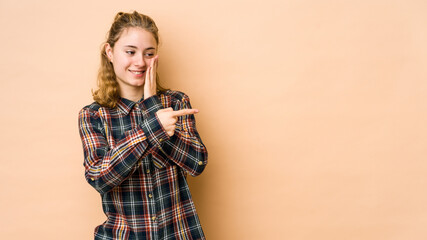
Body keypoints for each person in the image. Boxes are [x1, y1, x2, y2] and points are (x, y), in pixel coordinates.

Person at [78, 11, 208, 240]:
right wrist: (153, 127)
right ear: (110, 52)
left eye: (149, 53)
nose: (140, 62)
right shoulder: (93, 116)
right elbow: (99, 178)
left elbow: (197, 163)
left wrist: (151, 106)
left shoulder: (176, 103)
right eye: (130, 52)